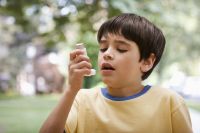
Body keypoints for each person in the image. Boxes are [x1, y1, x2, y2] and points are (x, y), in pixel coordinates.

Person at [40, 13, 193, 133]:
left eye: (121, 49)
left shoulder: (169, 102)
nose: (107, 54)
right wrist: (71, 89)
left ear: (147, 61)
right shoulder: (81, 100)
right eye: (103, 48)